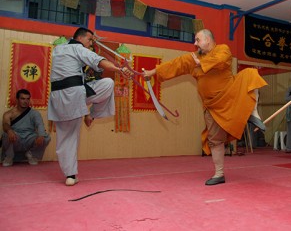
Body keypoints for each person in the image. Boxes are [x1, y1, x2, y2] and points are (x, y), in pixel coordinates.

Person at [143, 29, 267, 186]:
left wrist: (202, 63)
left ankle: (253, 113)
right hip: (212, 106)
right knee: (215, 140)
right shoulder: (193, 58)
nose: (195, 43)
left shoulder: (222, 49)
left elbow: (221, 60)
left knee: (251, 74)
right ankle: (219, 174)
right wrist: (152, 72)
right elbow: (174, 65)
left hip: (230, 95)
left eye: (197, 40)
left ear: (208, 40)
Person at [48, 27, 133, 186]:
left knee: (65, 137)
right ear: (80, 38)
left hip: (59, 98)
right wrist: (119, 69)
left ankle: (70, 175)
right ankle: (92, 115)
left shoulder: (58, 49)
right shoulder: (77, 48)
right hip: (74, 95)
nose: (91, 43)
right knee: (108, 84)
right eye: (90, 40)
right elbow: (99, 61)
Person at [2, 89, 51, 166]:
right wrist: (9, 130)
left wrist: (41, 135)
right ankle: (9, 157)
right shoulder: (8, 114)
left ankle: (31, 154)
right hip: (16, 138)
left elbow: (40, 124)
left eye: (28, 99)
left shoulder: (35, 113)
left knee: (46, 137)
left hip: (29, 138)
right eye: (23, 99)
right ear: (17, 99)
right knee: (6, 135)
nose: (26, 101)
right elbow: (5, 125)